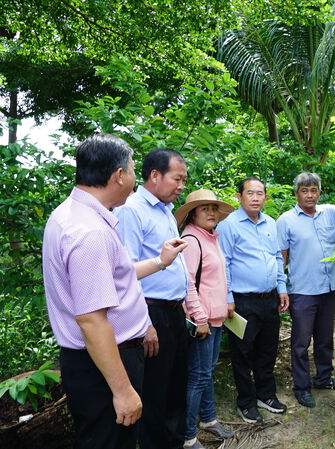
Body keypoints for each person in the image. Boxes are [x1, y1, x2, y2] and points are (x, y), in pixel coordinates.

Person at [43, 133, 187, 449]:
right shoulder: (89, 233)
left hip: (102, 359)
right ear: (118, 175)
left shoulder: (72, 216)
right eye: (133, 171)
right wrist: (122, 390)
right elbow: (92, 321)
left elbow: (114, 276)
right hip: (105, 362)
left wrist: (161, 262)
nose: (135, 180)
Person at [114, 148, 190, 449]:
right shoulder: (131, 210)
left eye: (184, 180)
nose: (181, 186)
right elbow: (124, 272)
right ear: (155, 175)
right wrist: (143, 323)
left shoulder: (166, 210)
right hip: (150, 314)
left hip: (173, 313)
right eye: (177, 178)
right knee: (155, 394)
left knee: (174, 388)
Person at [276, 172, 335, 408]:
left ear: (319, 193)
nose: (310, 195)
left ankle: (324, 378)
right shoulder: (286, 220)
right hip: (302, 291)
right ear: (296, 194)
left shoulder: (330, 213)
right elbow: (280, 257)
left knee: (325, 337)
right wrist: (280, 287)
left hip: (328, 288)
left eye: (314, 190)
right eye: (304, 190)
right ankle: (301, 387)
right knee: (301, 342)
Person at [216, 176, 289, 423]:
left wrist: (282, 287)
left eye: (260, 193)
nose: (256, 198)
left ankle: (265, 395)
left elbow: (277, 258)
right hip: (242, 301)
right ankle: (246, 402)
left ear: (266, 197)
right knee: (242, 352)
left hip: (269, 298)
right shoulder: (228, 225)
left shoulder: (271, 223)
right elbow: (222, 263)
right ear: (239, 197)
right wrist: (227, 298)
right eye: (250, 193)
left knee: (268, 349)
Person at [174, 189, 236, 449]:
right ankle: (188, 437)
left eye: (213, 208)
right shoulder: (192, 239)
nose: (211, 212)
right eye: (204, 208)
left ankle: (208, 420)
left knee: (206, 373)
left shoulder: (211, 237)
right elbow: (186, 282)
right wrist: (199, 318)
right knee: (198, 376)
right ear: (192, 214)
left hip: (216, 317)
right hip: (202, 320)